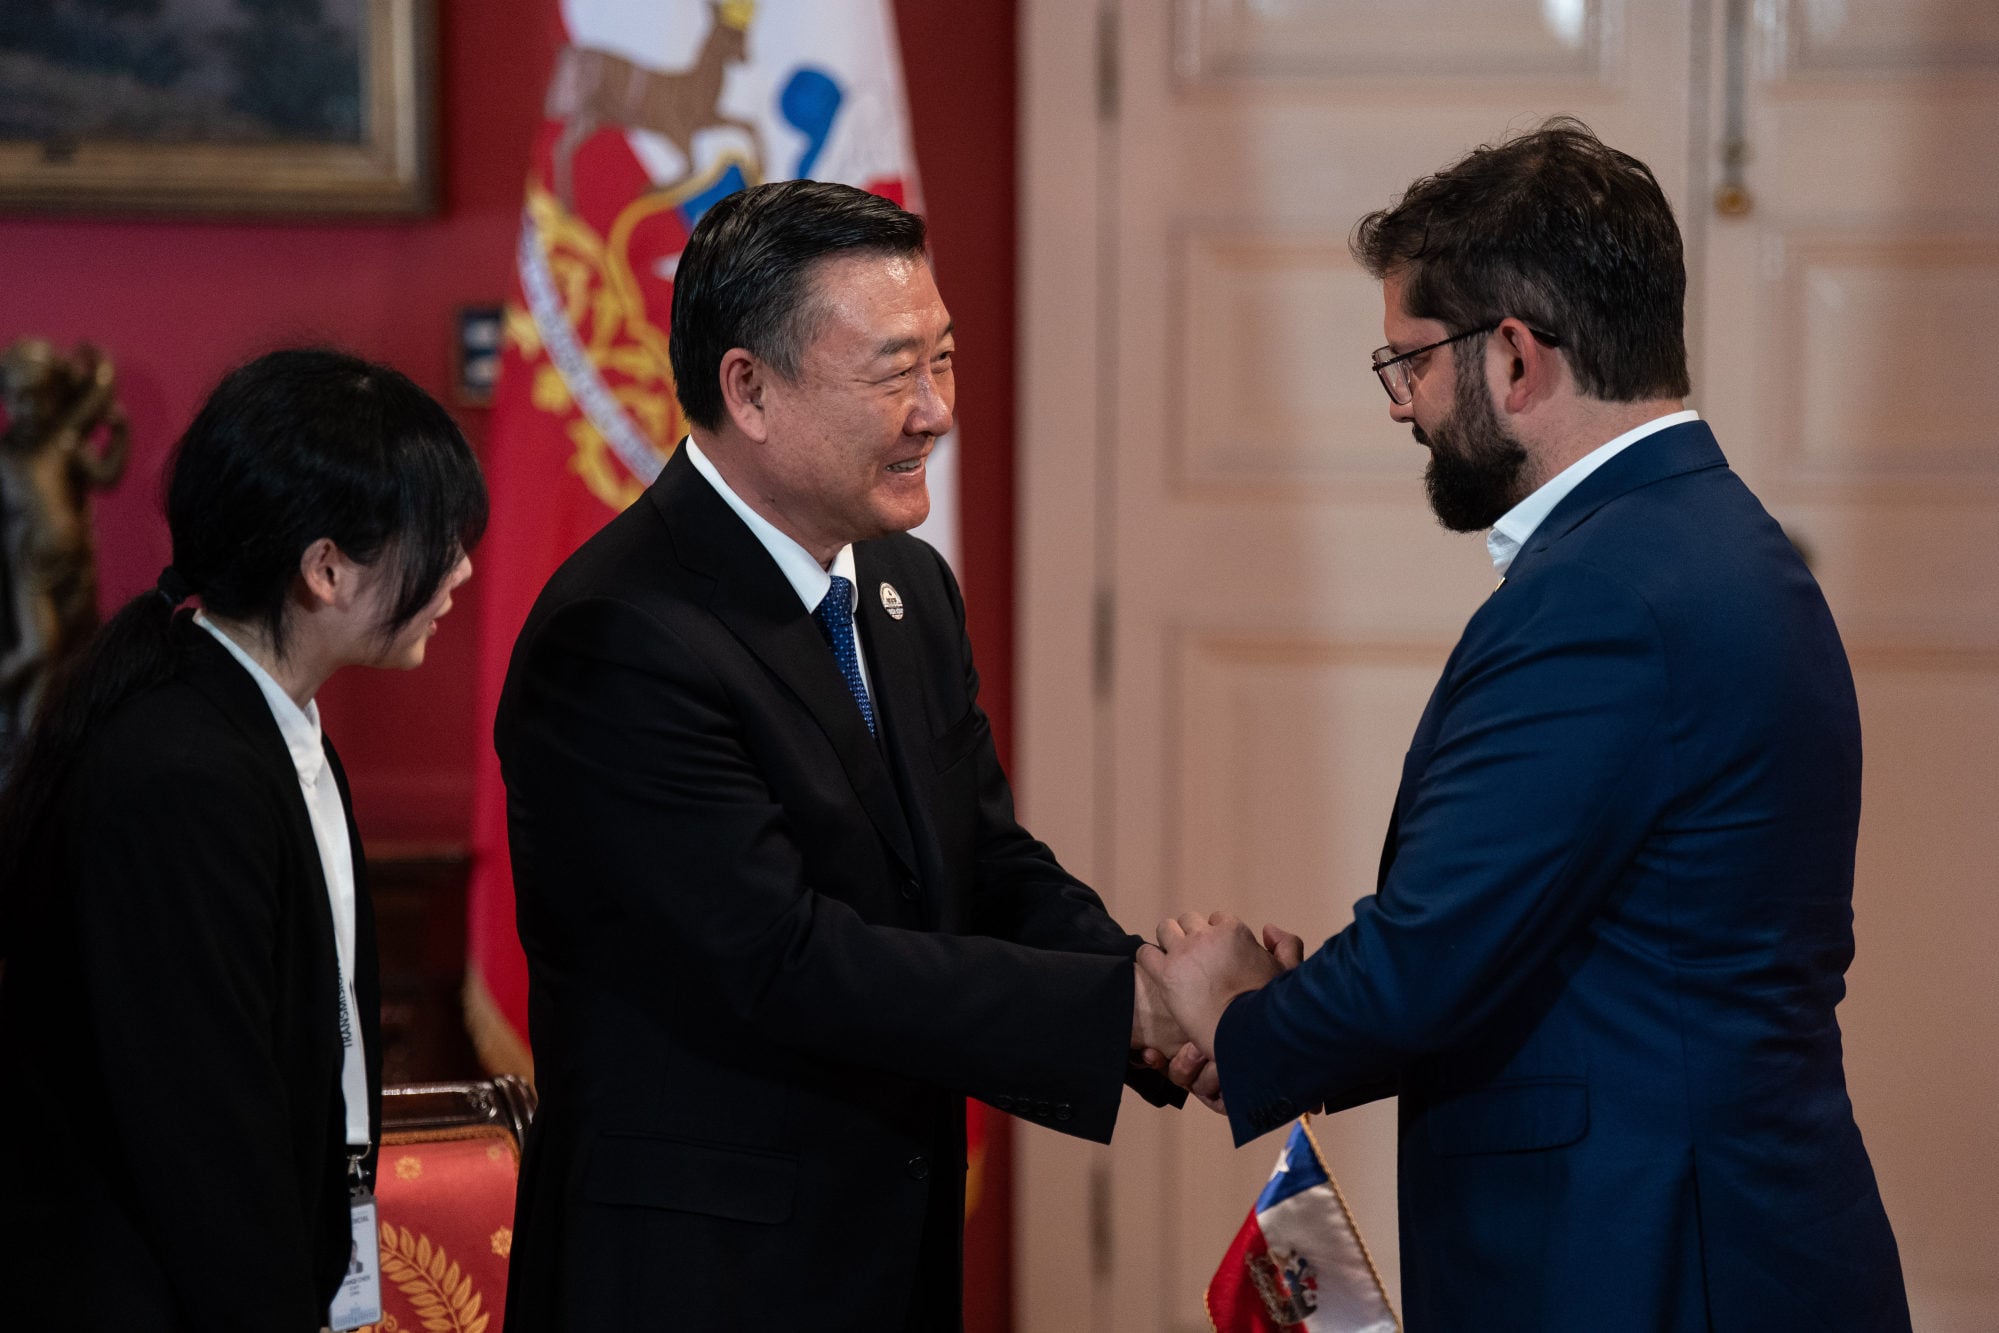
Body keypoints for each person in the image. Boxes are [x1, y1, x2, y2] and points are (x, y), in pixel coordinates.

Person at [1141, 120, 1911, 1330]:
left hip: (1649, 1261)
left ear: (1512, 358)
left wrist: (1236, 1021)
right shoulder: (1705, 543)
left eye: (1409, 364)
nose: (1402, 409)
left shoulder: (1605, 594)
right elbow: (1533, 942)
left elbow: (1432, 955)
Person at [494, 179, 1187, 1330]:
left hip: (879, 1260)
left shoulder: (905, 583)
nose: (936, 410)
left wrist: (1156, 996)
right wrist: (1128, 1009)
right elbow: (786, 961)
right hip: (696, 1284)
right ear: (748, 389)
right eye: (893, 372)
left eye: (944, 360)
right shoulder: (620, 634)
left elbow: (983, 863)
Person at [0, 348, 488, 1331]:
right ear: (325, 568)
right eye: (436, 541)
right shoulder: (179, 771)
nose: (463, 571)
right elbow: (203, 1142)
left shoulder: (260, 726)